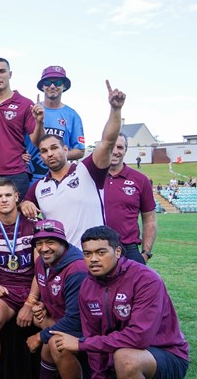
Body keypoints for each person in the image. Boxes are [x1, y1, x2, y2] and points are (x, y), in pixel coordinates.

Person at [51, 226, 197, 379]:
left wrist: (81, 344)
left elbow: (138, 338)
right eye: (87, 253)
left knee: (126, 357)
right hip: (118, 359)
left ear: (118, 251)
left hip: (167, 356)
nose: (93, 259)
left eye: (101, 252)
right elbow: (93, 337)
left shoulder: (146, 279)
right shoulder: (87, 286)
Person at [21, 80, 126, 247]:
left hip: (91, 254)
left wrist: (115, 110)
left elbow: (107, 142)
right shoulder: (39, 187)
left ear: (65, 149)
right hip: (61, 257)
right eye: (44, 151)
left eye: (54, 148)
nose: (50, 154)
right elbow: (25, 203)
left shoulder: (87, 171)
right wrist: (26, 203)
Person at [23, 219, 90, 379]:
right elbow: (55, 294)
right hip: (64, 320)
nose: (44, 248)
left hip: (88, 330)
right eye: (39, 243)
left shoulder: (77, 269)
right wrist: (42, 305)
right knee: (47, 328)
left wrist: (39, 337)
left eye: (50, 242)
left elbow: (75, 320)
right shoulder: (43, 261)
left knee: (55, 341)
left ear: (63, 242)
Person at [0, 178, 38, 379]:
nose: (4, 200)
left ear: (16, 197)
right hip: (6, 288)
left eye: (7, 195)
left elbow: (41, 270)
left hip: (34, 287)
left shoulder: (34, 225)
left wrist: (30, 302)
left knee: (53, 323)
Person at [0, 58, 44, 223]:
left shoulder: (25, 103)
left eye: (2, 71)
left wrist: (40, 122)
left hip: (16, 174)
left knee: (19, 227)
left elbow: (37, 141)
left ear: (10, 74)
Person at [25, 66, 86, 185]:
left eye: (58, 83)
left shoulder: (72, 115)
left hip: (61, 180)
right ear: (42, 86)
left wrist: (58, 155)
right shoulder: (30, 110)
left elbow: (80, 150)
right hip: (30, 179)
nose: (52, 86)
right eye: (47, 83)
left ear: (64, 86)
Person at [104, 133, 157, 264]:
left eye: (120, 147)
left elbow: (149, 219)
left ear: (126, 150)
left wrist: (145, 253)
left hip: (128, 250)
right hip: (96, 248)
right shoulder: (91, 177)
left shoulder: (140, 180)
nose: (115, 151)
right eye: (111, 146)